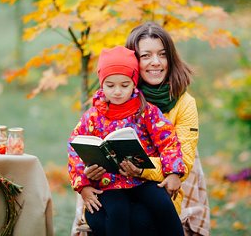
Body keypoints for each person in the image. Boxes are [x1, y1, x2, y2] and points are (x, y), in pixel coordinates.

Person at [84, 22, 210, 236]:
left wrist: (141, 168)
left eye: (162, 55)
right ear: (133, 61)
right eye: (146, 56)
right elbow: (84, 143)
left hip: (158, 189)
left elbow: (183, 163)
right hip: (113, 188)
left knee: (140, 220)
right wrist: (86, 174)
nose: (156, 62)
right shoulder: (116, 92)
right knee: (99, 216)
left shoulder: (183, 103)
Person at [68, 46, 186, 236]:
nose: (117, 92)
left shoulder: (146, 110)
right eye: (110, 85)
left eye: (124, 85)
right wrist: (84, 185)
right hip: (109, 183)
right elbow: (74, 150)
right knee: (117, 212)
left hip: (140, 178)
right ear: (101, 84)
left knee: (162, 203)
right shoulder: (92, 116)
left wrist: (173, 172)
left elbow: (168, 140)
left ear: (134, 84)